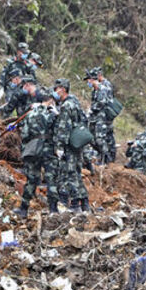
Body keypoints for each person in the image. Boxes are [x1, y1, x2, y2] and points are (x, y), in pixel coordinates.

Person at [13, 96, 58, 217]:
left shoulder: (31, 114)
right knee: (51, 179)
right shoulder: (53, 114)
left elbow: (25, 134)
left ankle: (23, 209)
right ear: (50, 101)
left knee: (32, 179)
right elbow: (59, 132)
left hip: (34, 149)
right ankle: (53, 210)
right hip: (49, 149)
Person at [52, 78, 91, 212]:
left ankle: (72, 204)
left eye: (56, 89)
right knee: (76, 173)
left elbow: (64, 128)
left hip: (69, 146)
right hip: (77, 144)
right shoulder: (75, 103)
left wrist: (59, 147)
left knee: (68, 174)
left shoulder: (66, 106)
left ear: (62, 89)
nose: (55, 92)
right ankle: (83, 204)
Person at [86, 67, 115, 165]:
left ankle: (106, 159)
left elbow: (101, 103)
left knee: (100, 138)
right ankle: (102, 156)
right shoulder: (95, 90)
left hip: (102, 118)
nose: (88, 82)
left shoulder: (102, 88)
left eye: (88, 80)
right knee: (92, 138)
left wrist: (92, 109)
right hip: (95, 117)